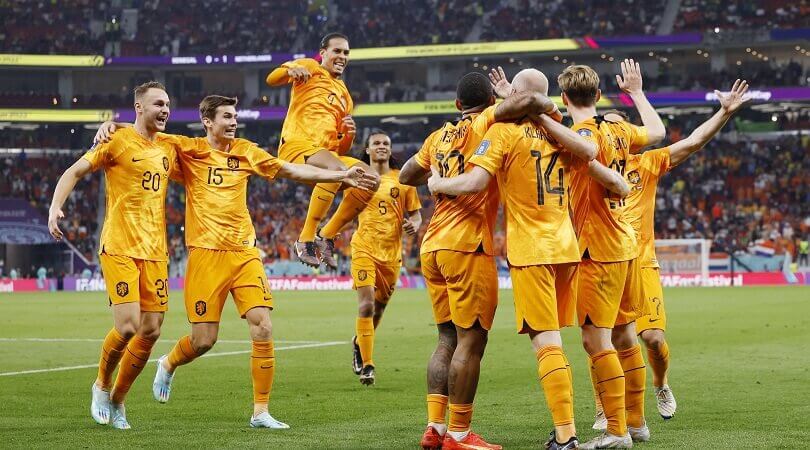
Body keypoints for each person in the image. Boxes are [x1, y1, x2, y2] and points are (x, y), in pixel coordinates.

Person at [94, 95, 374, 428]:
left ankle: (261, 411)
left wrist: (339, 176)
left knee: (263, 325)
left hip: (244, 253)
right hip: (204, 256)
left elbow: (289, 170)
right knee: (203, 341)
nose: (234, 121)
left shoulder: (246, 150)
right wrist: (113, 125)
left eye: (235, 116)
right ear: (207, 121)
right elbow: (145, 133)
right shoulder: (189, 149)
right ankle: (168, 363)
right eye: (227, 116)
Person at [427, 68, 633, 450]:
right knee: (582, 340)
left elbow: (473, 182)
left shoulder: (502, 132)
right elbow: (589, 152)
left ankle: (566, 436)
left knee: (547, 343)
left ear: (514, 99)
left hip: (531, 251)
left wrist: (438, 184)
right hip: (567, 249)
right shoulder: (562, 134)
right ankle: (615, 428)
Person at [400, 71, 562, 450]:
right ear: (489, 102)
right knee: (471, 343)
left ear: (457, 105)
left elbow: (407, 174)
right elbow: (529, 102)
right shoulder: (489, 121)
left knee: (445, 338)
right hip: (467, 246)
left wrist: (435, 171)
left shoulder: (438, 136)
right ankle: (458, 435)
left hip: (432, 247)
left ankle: (435, 428)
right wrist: (513, 98)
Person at [607, 79, 750, 423]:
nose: (611, 134)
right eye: (606, 127)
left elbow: (694, 141)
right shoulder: (585, 168)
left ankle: (661, 383)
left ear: (628, 134)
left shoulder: (646, 164)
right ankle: (606, 408)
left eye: (618, 128)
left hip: (641, 264)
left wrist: (724, 113)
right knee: (603, 341)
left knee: (653, 339)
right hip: (604, 265)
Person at [49, 81, 181, 429]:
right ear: (139, 107)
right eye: (157, 104)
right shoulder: (116, 141)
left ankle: (119, 400)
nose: (165, 109)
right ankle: (101, 385)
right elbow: (73, 171)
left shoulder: (169, 145)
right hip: (120, 245)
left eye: (167, 104)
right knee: (127, 327)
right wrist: (55, 208)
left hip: (155, 250)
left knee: (151, 330)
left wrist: (116, 122)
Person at [558, 60, 665, 449]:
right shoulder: (617, 128)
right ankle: (636, 425)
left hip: (596, 248)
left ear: (565, 97)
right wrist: (636, 92)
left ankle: (617, 431)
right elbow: (657, 131)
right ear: (599, 95)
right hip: (626, 243)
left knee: (594, 341)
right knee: (624, 335)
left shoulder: (578, 138)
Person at [265, 32, 381, 269]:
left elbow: (340, 148)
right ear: (323, 53)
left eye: (346, 52)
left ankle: (326, 235)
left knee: (371, 179)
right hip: (296, 147)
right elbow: (271, 79)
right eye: (337, 51)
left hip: (325, 157)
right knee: (337, 169)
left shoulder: (345, 97)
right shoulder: (310, 67)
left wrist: (348, 134)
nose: (342, 56)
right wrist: (289, 71)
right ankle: (305, 238)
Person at [348, 130, 422, 386]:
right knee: (366, 305)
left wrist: (414, 224)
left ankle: (360, 341)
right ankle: (368, 365)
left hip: (391, 255)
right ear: (367, 150)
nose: (381, 146)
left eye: (386, 143)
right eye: (376, 143)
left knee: (378, 310)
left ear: (390, 150)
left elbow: (415, 215)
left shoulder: (403, 180)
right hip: (363, 248)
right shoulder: (357, 178)